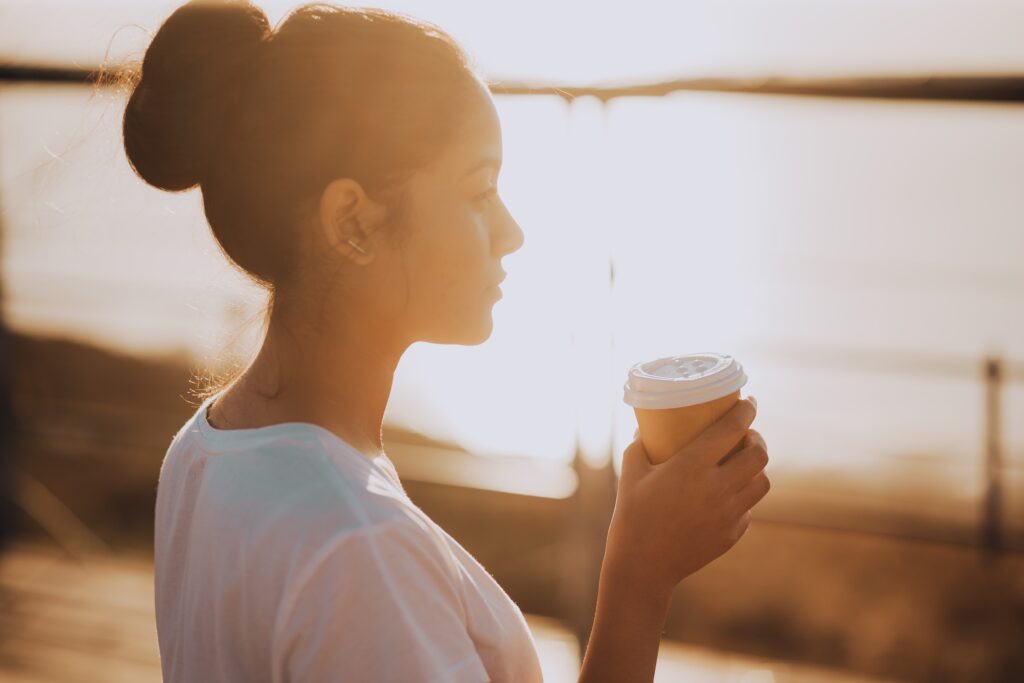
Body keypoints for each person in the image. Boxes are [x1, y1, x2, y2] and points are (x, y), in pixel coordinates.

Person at [120, 1, 771, 681]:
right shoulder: (360, 554)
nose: (512, 229)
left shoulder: (201, 452)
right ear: (352, 222)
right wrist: (641, 574)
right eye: (479, 188)